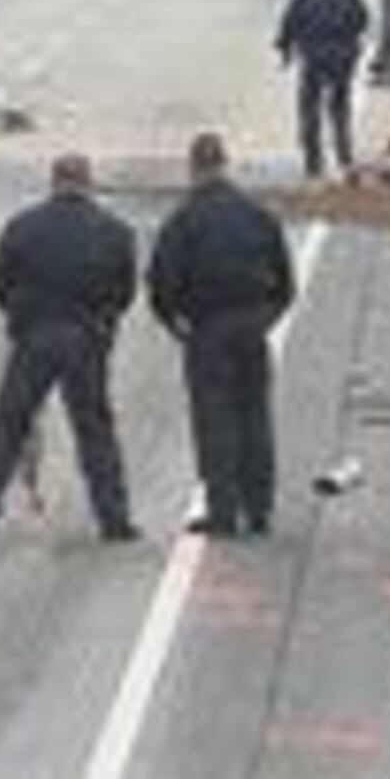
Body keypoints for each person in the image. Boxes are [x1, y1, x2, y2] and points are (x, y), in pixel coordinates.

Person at [0, 154, 141, 542]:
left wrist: (21, 315)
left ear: (54, 181)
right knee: (95, 431)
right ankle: (114, 517)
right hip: (85, 338)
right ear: (88, 182)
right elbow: (125, 291)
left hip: (36, 335)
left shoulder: (24, 226)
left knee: (9, 425)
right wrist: (102, 325)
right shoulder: (114, 231)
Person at [147, 133, 298, 539]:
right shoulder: (257, 215)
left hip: (208, 328)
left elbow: (162, 283)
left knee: (215, 421)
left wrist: (177, 327)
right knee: (254, 416)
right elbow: (285, 284)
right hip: (251, 326)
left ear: (194, 167)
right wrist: (266, 319)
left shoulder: (184, 219)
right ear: (225, 164)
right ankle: (260, 508)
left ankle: (223, 512)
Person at [275, 0, 372, 181]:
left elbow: (288, 24)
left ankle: (313, 164)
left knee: (309, 110)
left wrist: (285, 51)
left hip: (314, 59)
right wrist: (351, 47)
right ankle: (345, 157)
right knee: (339, 110)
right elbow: (363, 21)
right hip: (341, 61)